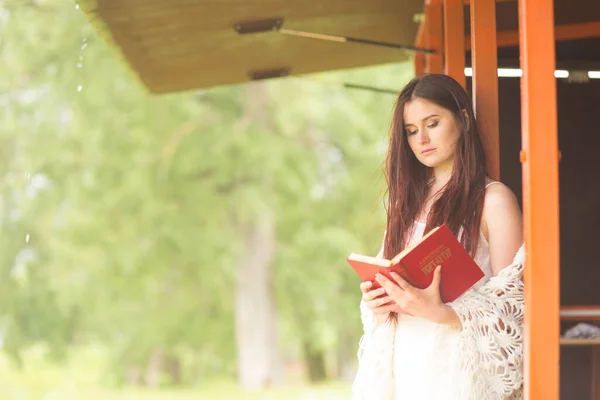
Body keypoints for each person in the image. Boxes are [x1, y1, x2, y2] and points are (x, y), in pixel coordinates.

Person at [352, 74, 525, 400]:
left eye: (432, 123)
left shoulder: (494, 200)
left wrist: (443, 312)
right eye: (412, 131)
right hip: (405, 368)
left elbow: (514, 308)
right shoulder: (407, 203)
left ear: (462, 119)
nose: (421, 139)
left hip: (455, 372)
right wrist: (378, 299)